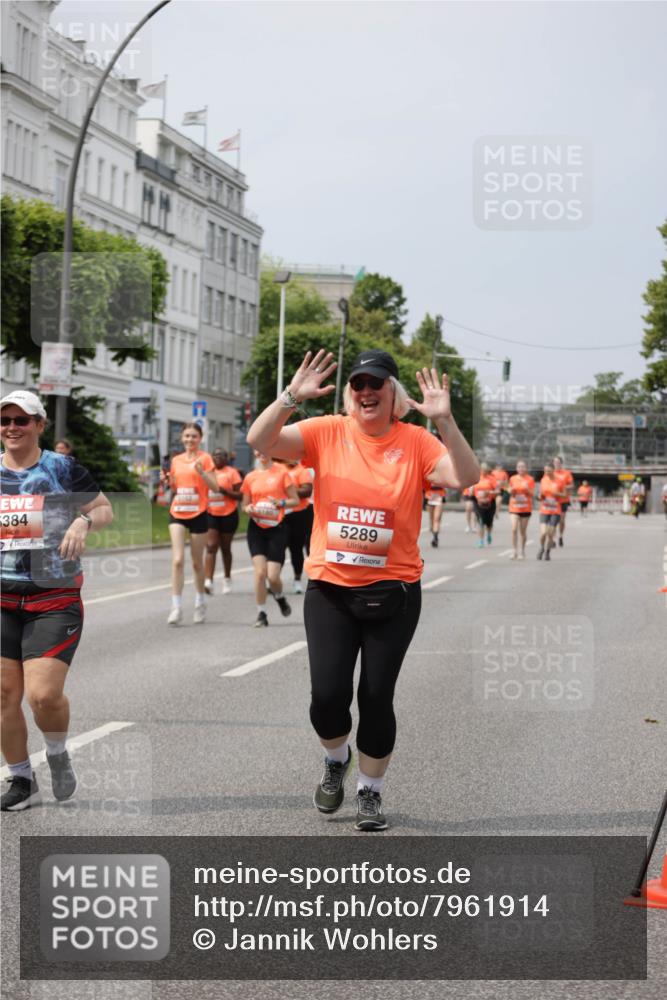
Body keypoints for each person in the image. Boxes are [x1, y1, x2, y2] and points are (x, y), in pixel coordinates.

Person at [247, 348, 479, 830]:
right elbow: (260, 439)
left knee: (376, 697)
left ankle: (370, 792)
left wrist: (445, 421)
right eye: (359, 384)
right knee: (327, 696)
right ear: (350, 395)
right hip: (330, 589)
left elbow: (466, 477)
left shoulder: (416, 441)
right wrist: (291, 396)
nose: (366, 391)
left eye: (377, 384)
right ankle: (337, 758)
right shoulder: (326, 431)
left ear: (395, 394)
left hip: (394, 593)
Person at [1, 390, 113, 811]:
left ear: (40, 425)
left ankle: (56, 750)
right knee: (3, 695)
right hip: (2, 598)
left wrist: (83, 521)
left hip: (54, 597)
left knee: (43, 696)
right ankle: (21, 779)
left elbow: (104, 509)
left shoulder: (61, 468)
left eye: (21, 420)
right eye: (5, 420)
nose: (12, 427)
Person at [162, 423, 218, 626]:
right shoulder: (176, 460)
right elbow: (175, 487)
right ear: (182, 438)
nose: (190, 440)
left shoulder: (206, 458)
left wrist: (202, 473)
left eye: (194, 436)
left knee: (196, 563)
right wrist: (167, 481)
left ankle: (200, 602)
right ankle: (176, 607)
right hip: (178, 511)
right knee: (177, 560)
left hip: (199, 513)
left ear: (200, 438)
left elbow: (216, 487)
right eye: (186, 436)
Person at [241, 452, 299, 626]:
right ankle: (261, 614)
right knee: (260, 573)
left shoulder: (282, 473)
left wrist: (281, 503)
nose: (261, 453)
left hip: (277, 528)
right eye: (258, 450)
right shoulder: (250, 477)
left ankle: (279, 597)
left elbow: (295, 500)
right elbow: (244, 504)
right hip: (256, 528)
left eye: (265, 449)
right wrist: (248, 509)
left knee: (273, 577)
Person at [204, 448, 243, 595]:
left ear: (226, 458)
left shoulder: (232, 473)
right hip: (211, 514)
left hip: (228, 514)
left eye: (221, 455)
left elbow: (240, 495)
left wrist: (224, 491)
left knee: (225, 548)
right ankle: (208, 581)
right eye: (215, 455)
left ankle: (227, 578)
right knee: (211, 546)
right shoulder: (208, 473)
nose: (217, 457)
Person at [283, 459, 314, 593]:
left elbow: (306, 491)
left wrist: (287, 490)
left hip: (300, 513)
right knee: (278, 547)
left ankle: (297, 579)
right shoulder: (278, 469)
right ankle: (273, 578)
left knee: (296, 548)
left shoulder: (302, 471)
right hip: (281, 514)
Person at [536, 462, 567, 560]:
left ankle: (547, 552)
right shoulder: (543, 480)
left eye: (549, 471)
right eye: (545, 471)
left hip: (555, 511)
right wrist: (539, 496)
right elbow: (540, 494)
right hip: (544, 509)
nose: (547, 472)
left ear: (553, 470)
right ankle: (541, 547)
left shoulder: (560, 481)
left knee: (550, 533)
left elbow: (565, 495)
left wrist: (557, 493)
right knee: (543, 532)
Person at [507, 461, 535, 559]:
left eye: (523, 467)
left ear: (526, 468)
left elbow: (532, 494)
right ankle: (514, 551)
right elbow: (509, 490)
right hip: (514, 507)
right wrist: (510, 490)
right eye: (519, 467)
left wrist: (527, 489)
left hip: (525, 508)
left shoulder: (530, 479)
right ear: (516, 468)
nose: (521, 469)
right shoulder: (513, 478)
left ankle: (522, 551)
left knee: (522, 531)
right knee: (514, 529)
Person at [472, 463, 498, 547]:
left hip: (490, 503)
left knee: (489, 522)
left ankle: (489, 534)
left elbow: (497, 491)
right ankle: (481, 541)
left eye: (485, 470)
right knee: (481, 522)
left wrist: (488, 492)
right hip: (478, 503)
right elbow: (471, 491)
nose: (483, 471)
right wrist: (471, 491)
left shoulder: (491, 479)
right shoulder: (476, 478)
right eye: (482, 469)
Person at [553, 456, 574, 546]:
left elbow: (572, 485)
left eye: (558, 462)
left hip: (563, 500)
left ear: (561, 463)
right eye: (555, 462)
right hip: (553, 500)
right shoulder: (550, 473)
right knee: (553, 520)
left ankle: (560, 536)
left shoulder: (566, 473)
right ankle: (553, 539)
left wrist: (563, 487)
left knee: (561, 520)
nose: (556, 464)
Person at [423, 479, 445, 547]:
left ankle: (435, 538)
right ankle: (433, 531)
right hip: (429, 496)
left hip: (439, 495)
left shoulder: (442, 474)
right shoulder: (427, 474)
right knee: (431, 518)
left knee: (436, 518)